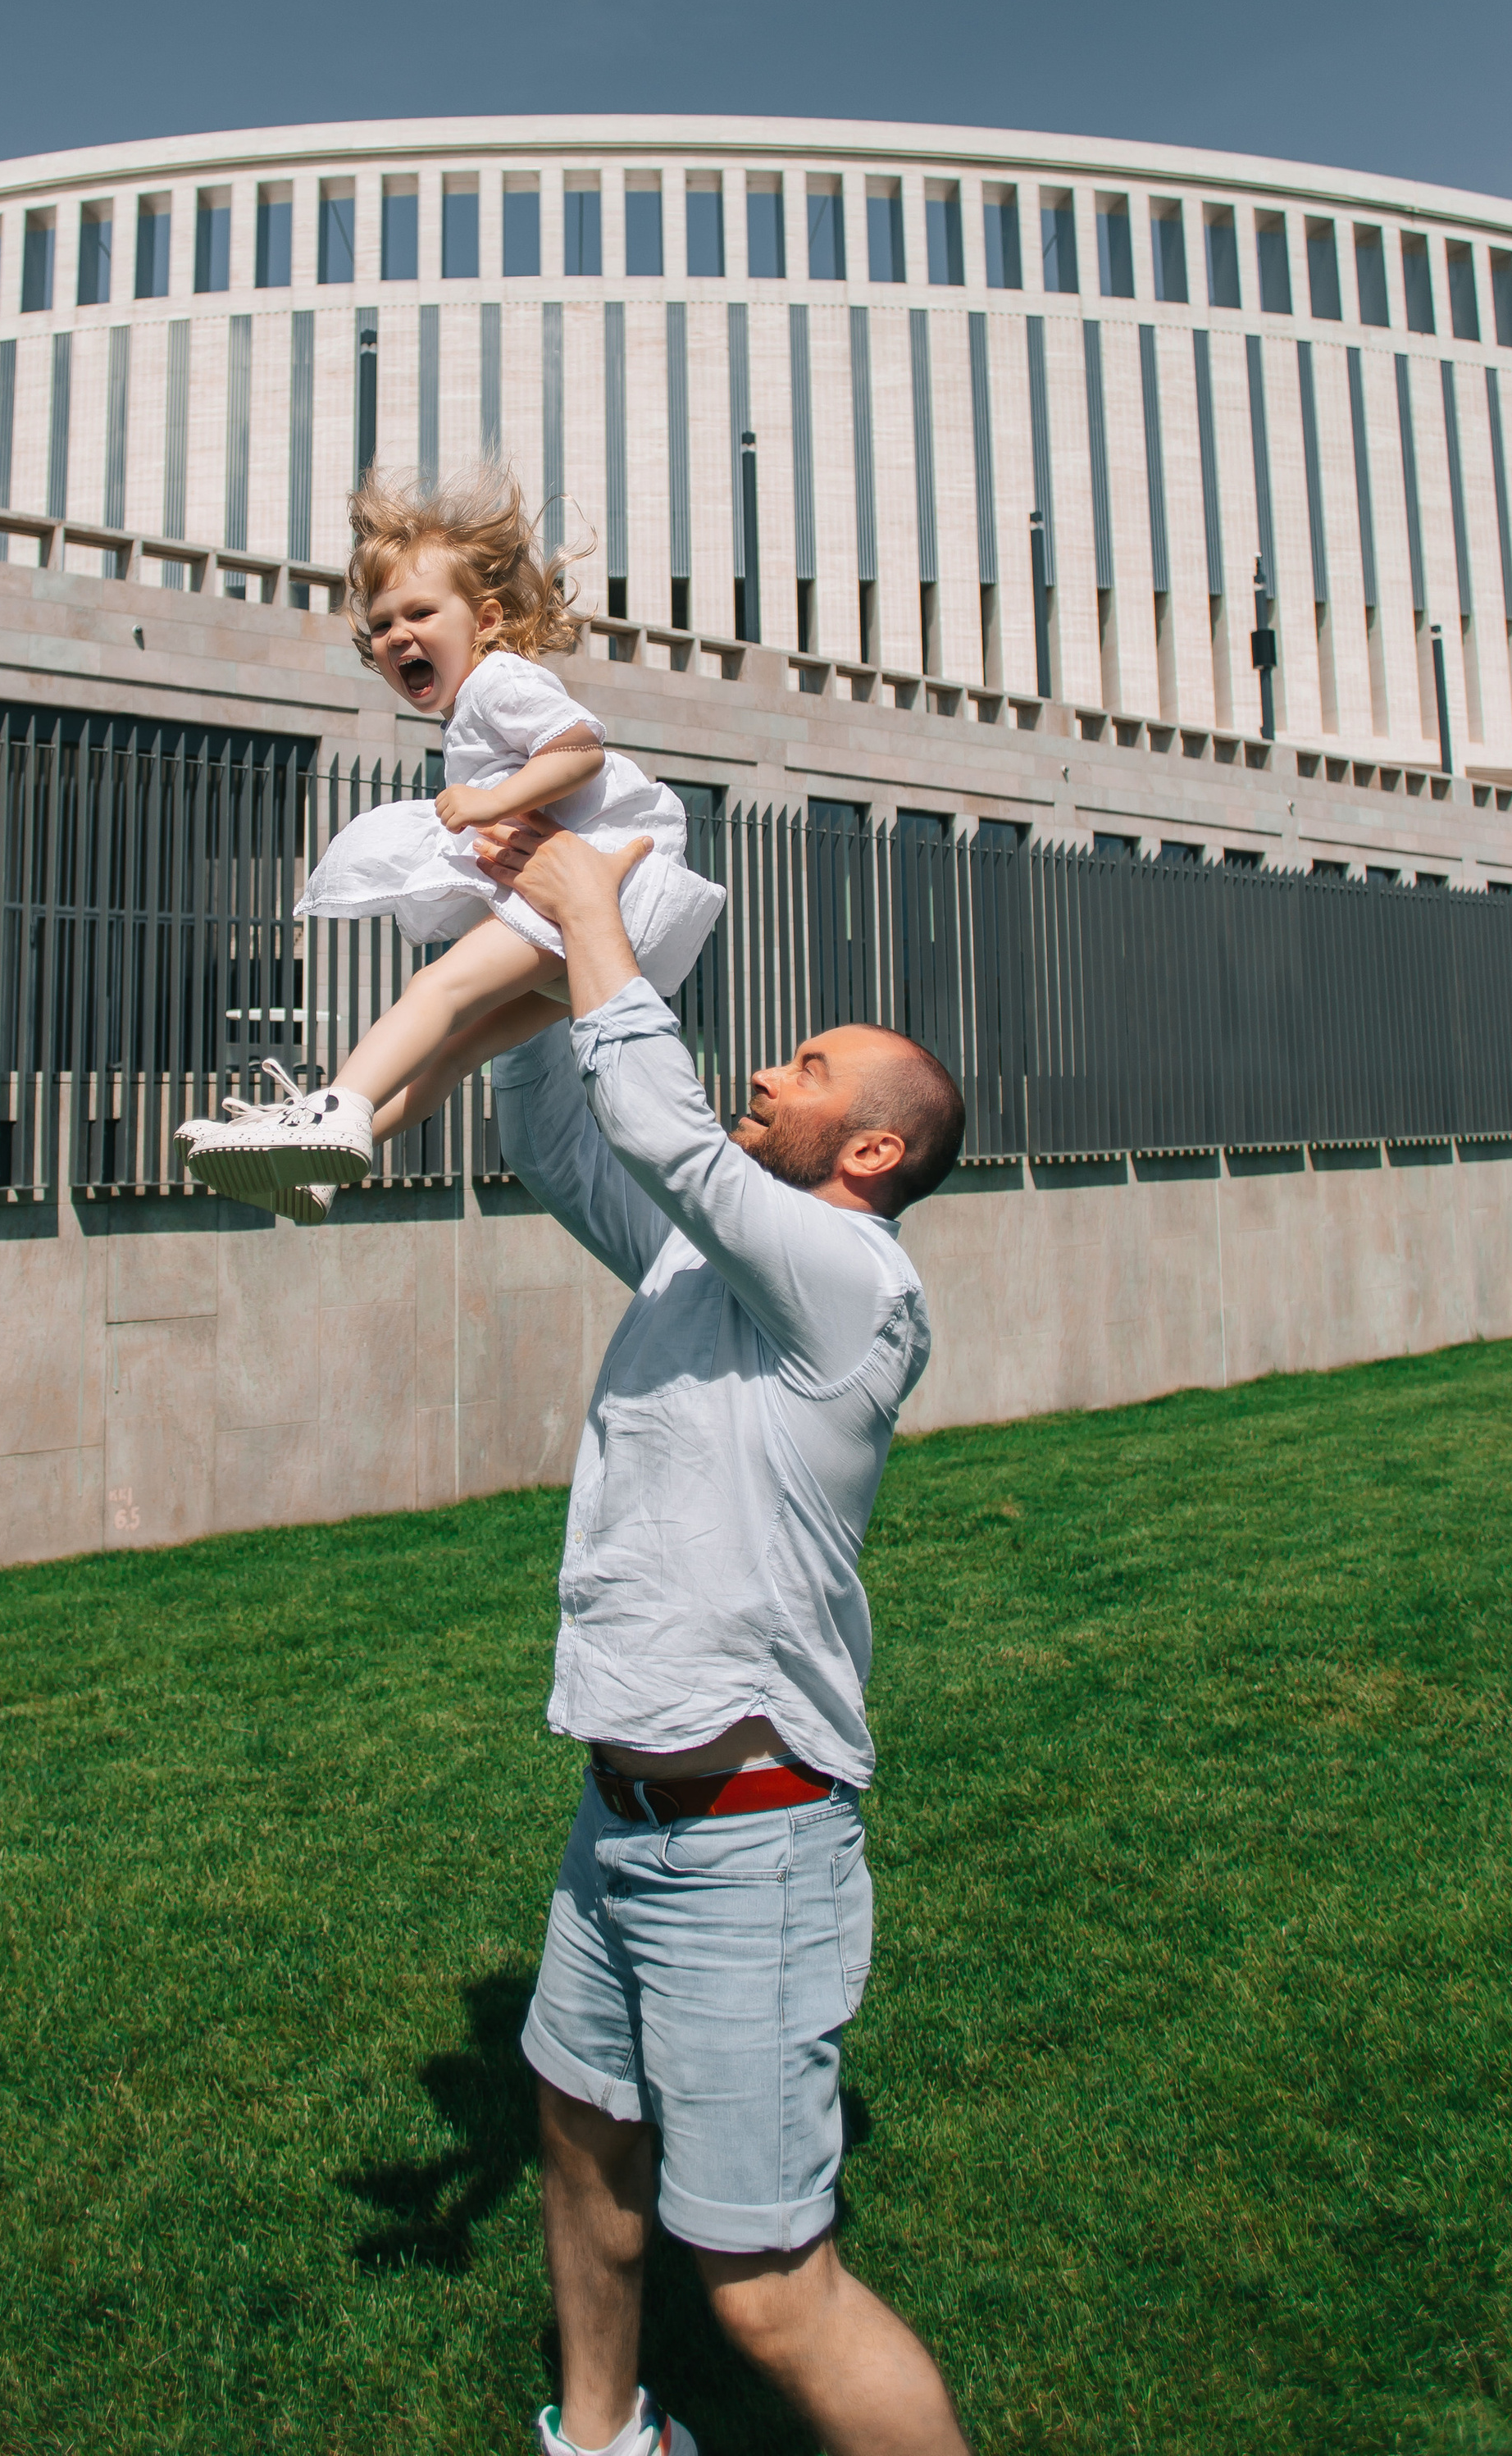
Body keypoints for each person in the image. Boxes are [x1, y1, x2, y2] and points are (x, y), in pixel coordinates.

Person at [469, 808, 973, 2456]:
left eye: (809, 1066)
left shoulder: (848, 1286)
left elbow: (664, 1128)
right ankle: (606, 2442)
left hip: (748, 1850)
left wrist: (597, 903)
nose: (772, 1068)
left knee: (764, 2288)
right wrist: (536, 948)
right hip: (616, 1823)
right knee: (583, 2147)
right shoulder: (707, 1264)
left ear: (873, 1149)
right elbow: (563, 1134)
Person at [176, 470, 722, 1219]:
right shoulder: (470, 704)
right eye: (382, 625)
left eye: (421, 612)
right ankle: (321, 1164)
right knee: (454, 1049)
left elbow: (581, 747)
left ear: (487, 619)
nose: (399, 634)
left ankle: (333, 1109)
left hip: (604, 896)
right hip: (620, 932)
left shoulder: (499, 678)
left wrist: (489, 800)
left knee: (434, 991)